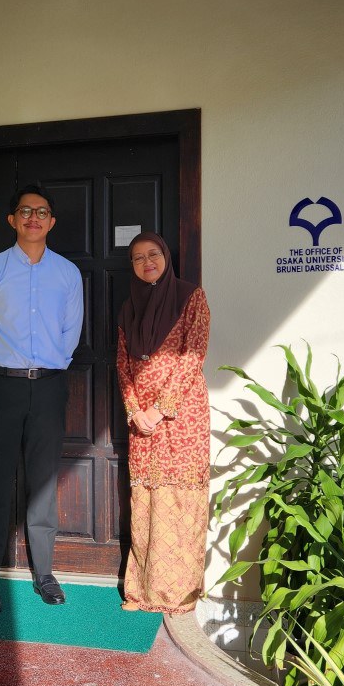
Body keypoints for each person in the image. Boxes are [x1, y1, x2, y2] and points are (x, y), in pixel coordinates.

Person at [0, 184, 84, 613]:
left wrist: (47, 368)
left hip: (48, 386)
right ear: (12, 220)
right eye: (26, 211)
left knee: (44, 483)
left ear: (52, 221)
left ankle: (44, 574)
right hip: (2, 385)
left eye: (42, 212)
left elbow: (70, 333)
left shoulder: (67, 274)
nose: (34, 218)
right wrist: (1, 367)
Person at [116, 231, 211, 614]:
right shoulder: (129, 308)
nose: (147, 262)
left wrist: (160, 408)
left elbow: (193, 355)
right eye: (138, 258)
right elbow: (122, 363)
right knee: (146, 501)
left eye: (153, 254)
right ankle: (141, 592)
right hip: (142, 423)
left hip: (181, 417)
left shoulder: (191, 297)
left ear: (166, 256)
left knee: (178, 501)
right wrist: (134, 410)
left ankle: (176, 596)